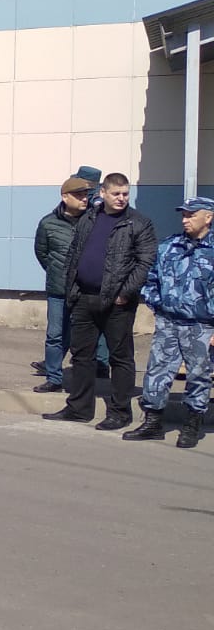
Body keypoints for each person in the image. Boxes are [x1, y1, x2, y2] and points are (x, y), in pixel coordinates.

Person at [43, 172, 157, 430]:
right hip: (84, 297)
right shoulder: (90, 218)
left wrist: (124, 294)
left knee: (120, 357)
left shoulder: (138, 223)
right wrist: (72, 288)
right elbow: (75, 252)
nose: (121, 199)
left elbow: (145, 262)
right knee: (82, 355)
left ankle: (120, 412)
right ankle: (79, 408)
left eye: (125, 194)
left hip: (118, 302)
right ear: (103, 193)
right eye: (116, 194)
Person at [122, 196, 214, 448]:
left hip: (201, 326)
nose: (185, 219)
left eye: (191, 215)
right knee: (158, 371)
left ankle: (192, 425)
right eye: (183, 214)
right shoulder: (169, 246)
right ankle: (153, 423)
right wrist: (158, 306)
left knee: (199, 375)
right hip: (169, 322)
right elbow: (151, 280)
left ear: (208, 217)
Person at [32, 176, 96, 392]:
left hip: (85, 289)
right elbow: (42, 253)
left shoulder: (93, 220)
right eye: (78, 195)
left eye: (85, 195)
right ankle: (54, 378)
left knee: (82, 337)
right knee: (55, 335)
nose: (84, 199)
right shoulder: (48, 223)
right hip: (58, 289)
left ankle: (82, 380)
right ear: (65, 197)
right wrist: (55, 271)